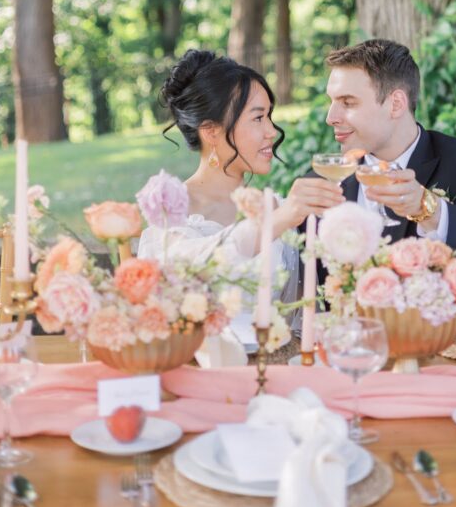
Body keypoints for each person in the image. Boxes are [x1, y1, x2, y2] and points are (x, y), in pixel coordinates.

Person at [137, 49, 338, 329]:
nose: (271, 131)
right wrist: (279, 220)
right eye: (258, 118)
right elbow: (197, 271)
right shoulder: (170, 211)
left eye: (269, 116)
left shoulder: (279, 207)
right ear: (211, 131)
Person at [298, 38, 456, 269]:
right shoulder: (320, 184)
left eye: (347, 102)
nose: (330, 117)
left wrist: (430, 211)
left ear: (396, 104)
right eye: (332, 101)